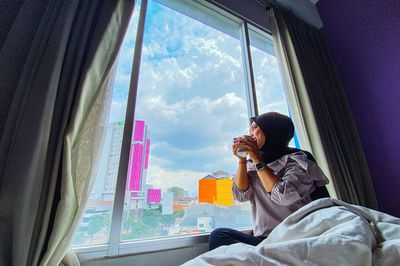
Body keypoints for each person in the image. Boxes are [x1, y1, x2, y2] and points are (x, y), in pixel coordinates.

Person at [208, 112, 329, 250]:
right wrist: (242, 160)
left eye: (254, 127)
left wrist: (257, 159)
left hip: (297, 237)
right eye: (250, 129)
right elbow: (240, 195)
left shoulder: (297, 160)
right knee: (219, 235)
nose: (250, 133)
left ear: (272, 132)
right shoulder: (251, 163)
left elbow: (283, 196)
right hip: (265, 239)